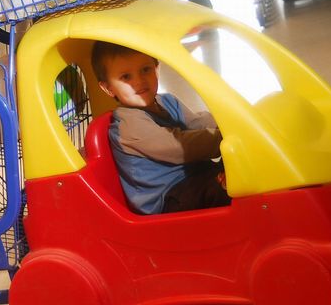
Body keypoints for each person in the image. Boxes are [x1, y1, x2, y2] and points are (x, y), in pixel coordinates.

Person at [92, 41, 229, 215]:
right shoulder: (129, 125)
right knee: (224, 189)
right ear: (108, 88)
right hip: (167, 197)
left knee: (239, 163)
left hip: (194, 176)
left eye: (145, 70)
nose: (139, 81)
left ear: (157, 68)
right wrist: (224, 137)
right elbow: (180, 146)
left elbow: (196, 123)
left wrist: (227, 122)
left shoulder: (168, 101)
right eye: (126, 77)